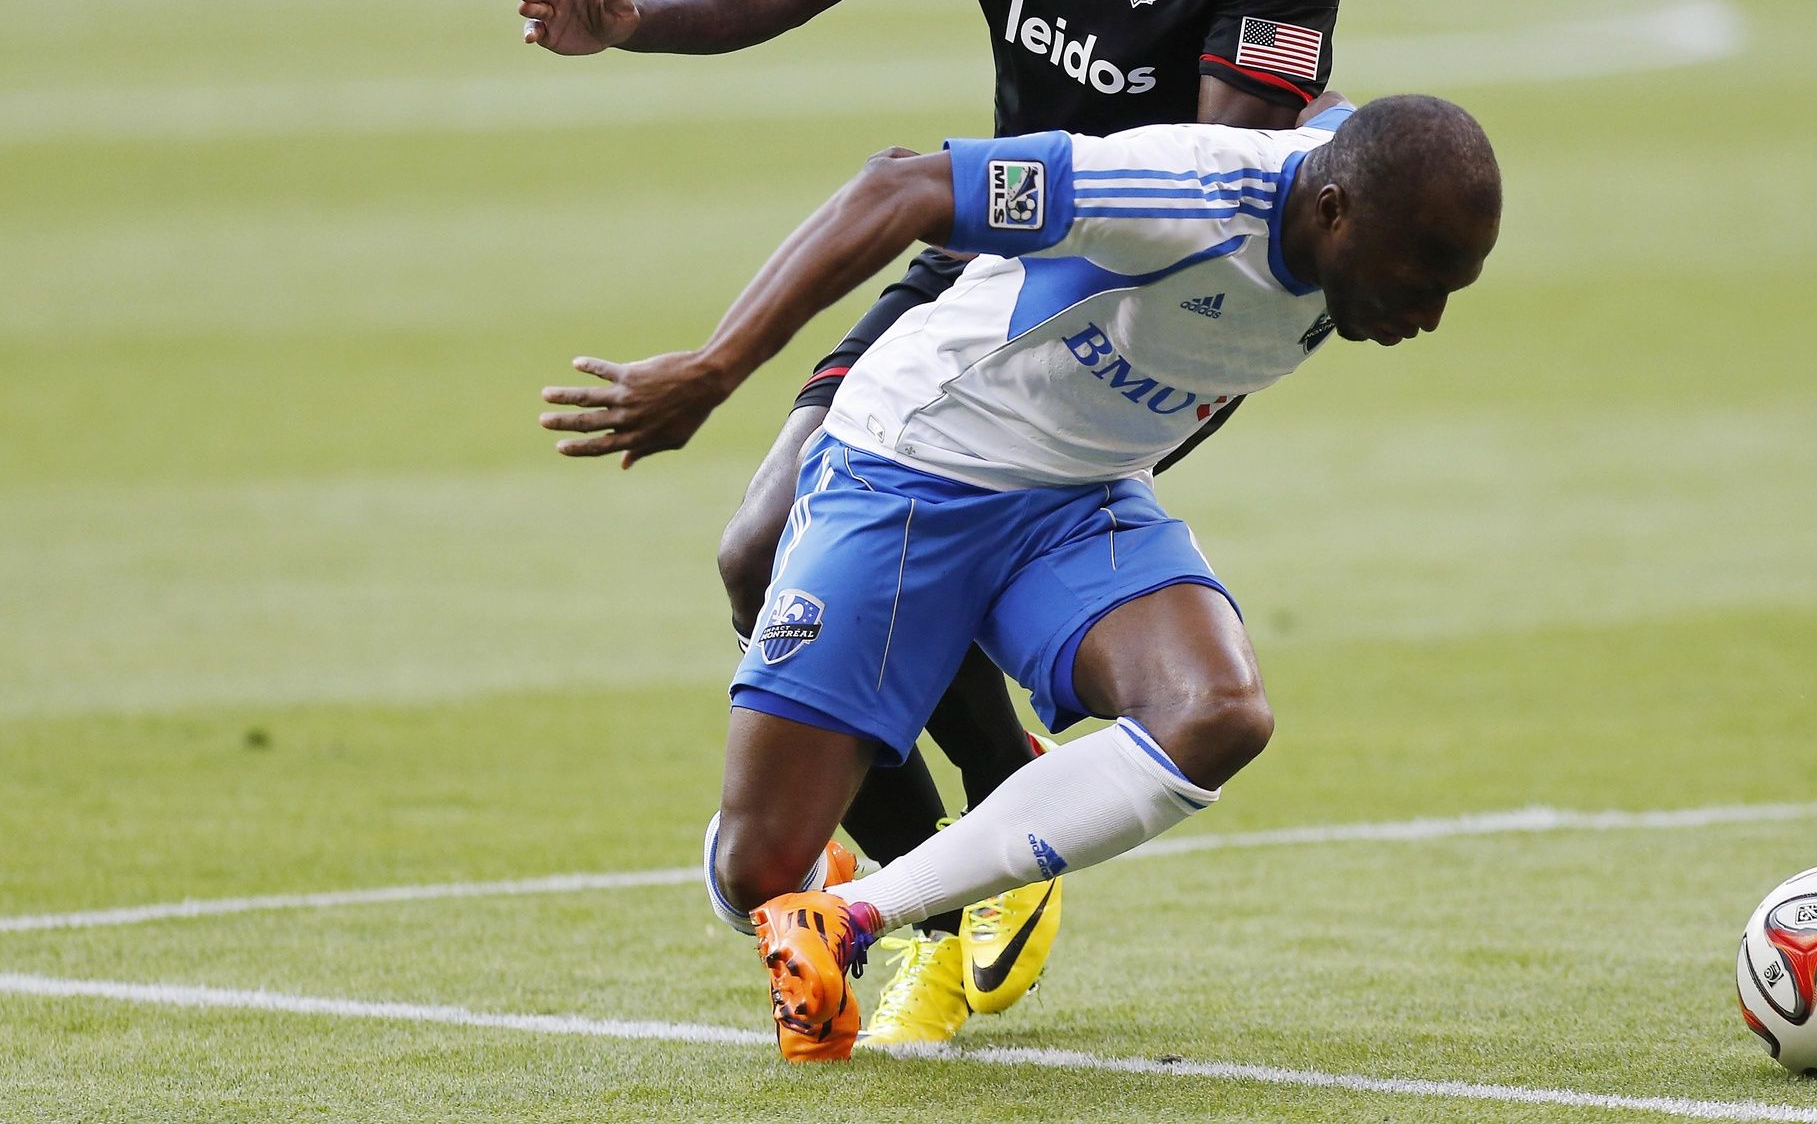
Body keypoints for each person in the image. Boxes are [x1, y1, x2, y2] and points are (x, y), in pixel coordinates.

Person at [520, 0, 1341, 1045]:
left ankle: (946, 876)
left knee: (813, 535)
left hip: (1130, 303)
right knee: (755, 562)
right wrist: (635, 23)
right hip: (987, 241)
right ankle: (986, 840)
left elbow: (1212, 189)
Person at [539, 94, 1501, 1057]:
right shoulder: (1173, 194)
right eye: (1419, 279)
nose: (1429, 314)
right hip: (912, 468)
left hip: (1077, 500)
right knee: (758, 874)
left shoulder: (1355, 193)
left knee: (1217, 712)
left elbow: (1335, 112)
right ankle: (828, 870)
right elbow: (898, 183)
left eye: (1454, 285)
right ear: (1331, 209)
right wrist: (712, 370)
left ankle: (855, 915)